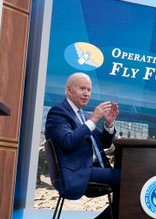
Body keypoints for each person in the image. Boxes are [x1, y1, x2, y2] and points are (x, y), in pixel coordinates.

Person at [45, 72, 121, 219]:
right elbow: (68, 141)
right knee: (127, 178)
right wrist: (92, 120)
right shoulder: (58, 113)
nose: (86, 94)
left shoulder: (84, 115)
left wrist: (109, 124)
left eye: (89, 90)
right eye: (82, 89)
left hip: (92, 168)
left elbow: (103, 142)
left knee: (128, 181)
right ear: (69, 90)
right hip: (76, 171)